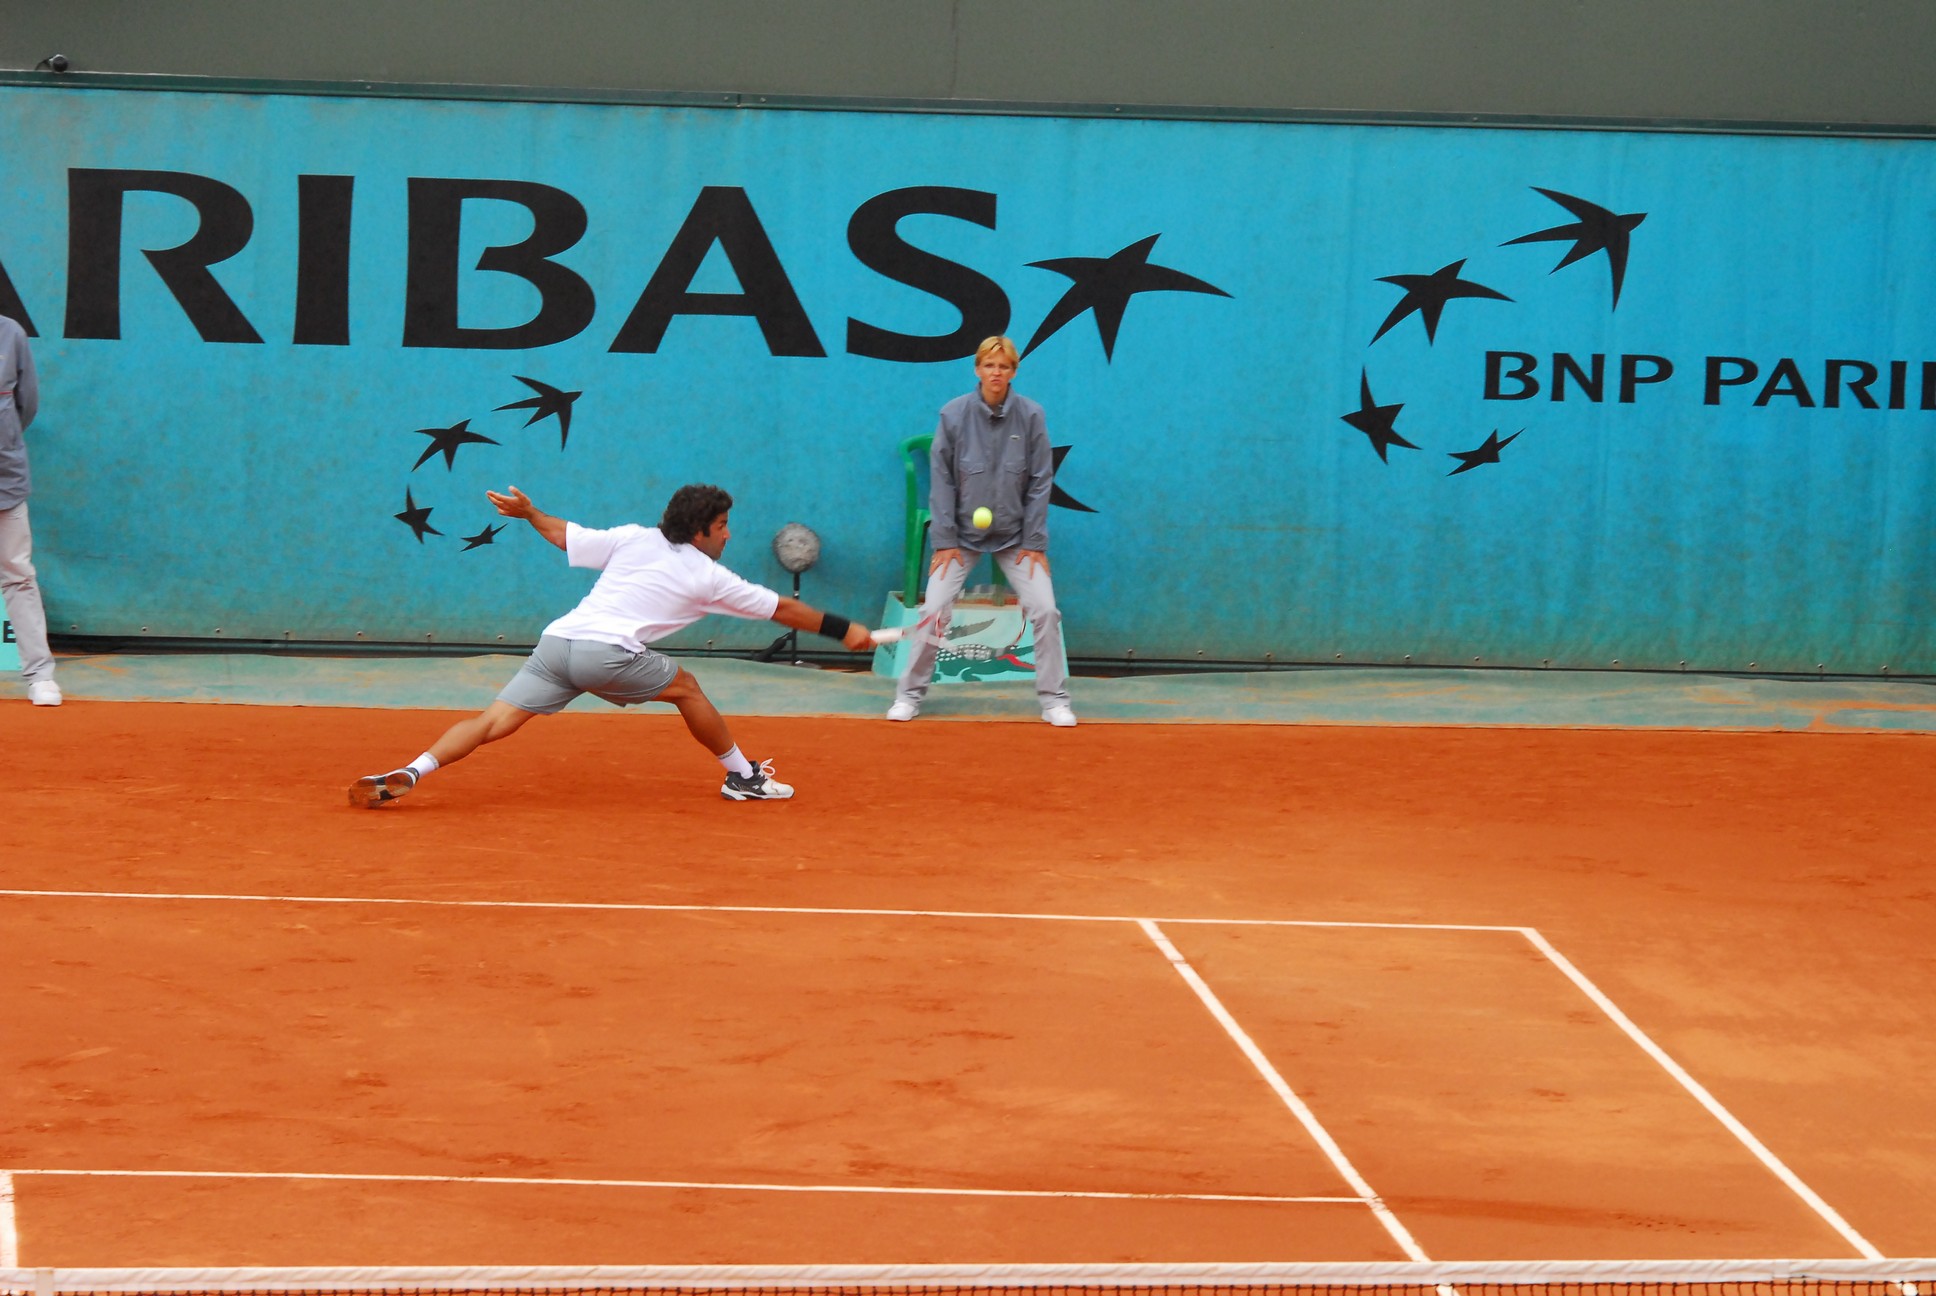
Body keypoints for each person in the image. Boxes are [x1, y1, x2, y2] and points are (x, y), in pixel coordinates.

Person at [350, 482, 874, 806]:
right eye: (722, 526)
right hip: (605, 653)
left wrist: (530, 513)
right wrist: (845, 629)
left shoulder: (635, 537)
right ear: (699, 532)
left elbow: (563, 535)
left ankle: (413, 769)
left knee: (491, 721)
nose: (729, 536)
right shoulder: (709, 577)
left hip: (558, 642)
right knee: (688, 689)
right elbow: (782, 608)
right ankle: (742, 778)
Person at [888, 335, 1074, 726]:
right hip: (960, 538)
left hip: (1016, 538)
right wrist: (944, 541)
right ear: (978, 369)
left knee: (1046, 610)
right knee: (933, 611)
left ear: (1013, 372)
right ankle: (908, 695)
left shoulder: (1032, 415)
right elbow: (941, 480)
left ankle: (1055, 700)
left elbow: (1041, 480)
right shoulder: (953, 415)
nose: (996, 373)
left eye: (1004, 367)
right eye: (990, 365)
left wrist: (1034, 542)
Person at [0, 313, 58, 707]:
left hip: (5, 480)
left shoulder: (11, 333)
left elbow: (27, 404)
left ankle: (40, 677)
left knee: (18, 576)